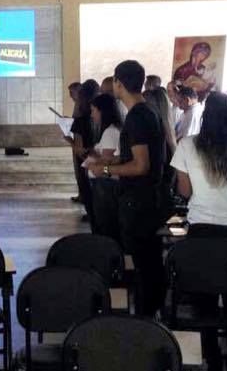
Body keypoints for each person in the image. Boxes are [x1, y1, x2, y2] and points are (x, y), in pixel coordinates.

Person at [168, 92, 227, 371]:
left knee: (203, 291)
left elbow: (185, 191)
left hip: (202, 228)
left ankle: (210, 353)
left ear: (206, 116)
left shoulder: (187, 145)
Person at [98, 60, 168, 317]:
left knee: (144, 264)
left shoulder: (138, 116)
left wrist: (106, 171)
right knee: (148, 262)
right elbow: (138, 156)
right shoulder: (147, 111)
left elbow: (141, 165)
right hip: (147, 198)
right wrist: (114, 161)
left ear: (118, 83)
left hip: (139, 201)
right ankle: (151, 312)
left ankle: (145, 318)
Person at [84, 93, 123, 241]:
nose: (92, 115)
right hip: (106, 184)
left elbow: (107, 163)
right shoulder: (111, 130)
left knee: (106, 227)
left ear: (102, 111)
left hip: (107, 185)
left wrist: (93, 161)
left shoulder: (110, 132)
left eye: (93, 110)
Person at [68, 81, 100, 221]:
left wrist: (69, 141)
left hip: (89, 162)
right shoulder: (101, 118)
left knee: (87, 185)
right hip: (98, 160)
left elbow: (80, 151)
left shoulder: (81, 120)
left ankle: (92, 214)